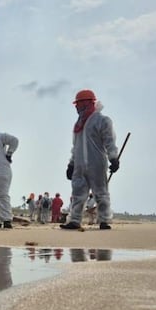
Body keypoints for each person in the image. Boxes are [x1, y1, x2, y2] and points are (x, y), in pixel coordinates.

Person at [61, 89, 120, 230]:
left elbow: (109, 141)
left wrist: (113, 158)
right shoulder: (78, 125)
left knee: (101, 193)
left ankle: (104, 220)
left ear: (86, 103)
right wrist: (71, 164)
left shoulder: (102, 120)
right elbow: (76, 147)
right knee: (77, 194)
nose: (76, 107)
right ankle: (74, 220)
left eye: (78, 104)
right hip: (80, 165)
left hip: (97, 163)